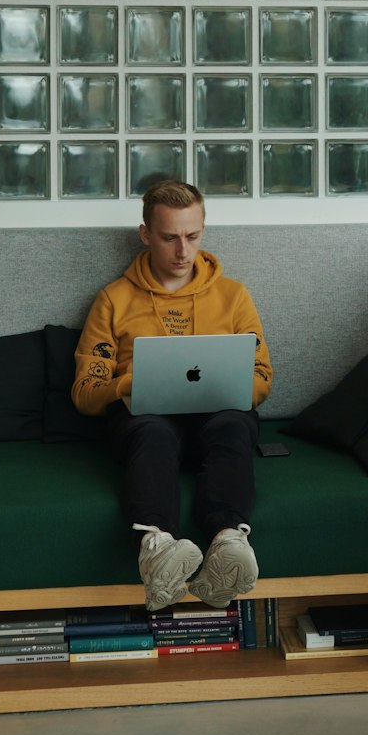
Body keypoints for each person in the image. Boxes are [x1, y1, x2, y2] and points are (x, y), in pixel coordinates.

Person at [72, 179, 273, 613]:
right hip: (145, 421)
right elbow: (85, 395)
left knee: (235, 424)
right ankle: (158, 549)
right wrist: (129, 382)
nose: (183, 251)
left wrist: (233, 383)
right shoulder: (113, 300)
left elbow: (263, 378)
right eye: (169, 238)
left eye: (193, 236)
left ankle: (227, 543)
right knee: (153, 432)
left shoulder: (233, 296)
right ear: (145, 234)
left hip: (215, 417)